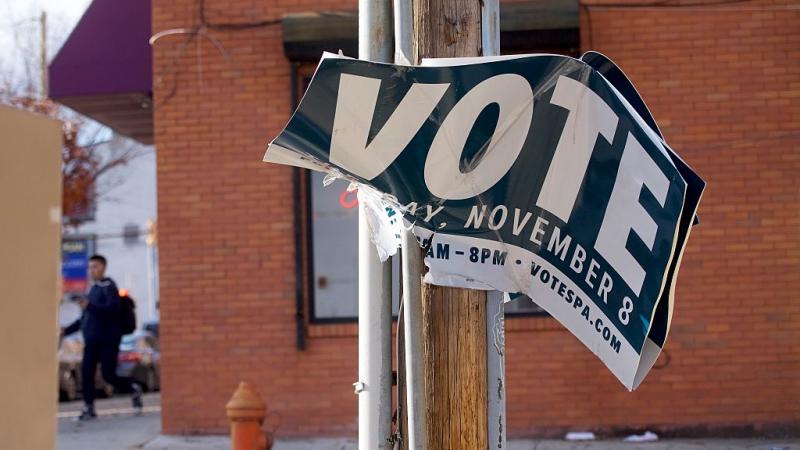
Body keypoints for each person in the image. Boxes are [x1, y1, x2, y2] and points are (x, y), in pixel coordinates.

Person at [61, 254, 143, 420]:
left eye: (95, 267)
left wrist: (90, 306)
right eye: (90, 267)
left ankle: (133, 388)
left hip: (108, 340)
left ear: (103, 268)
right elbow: (85, 319)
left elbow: (112, 310)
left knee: (108, 375)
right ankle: (88, 408)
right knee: (86, 373)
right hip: (91, 341)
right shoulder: (93, 289)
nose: (92, 270)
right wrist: (66, 330)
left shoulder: (109, 286)